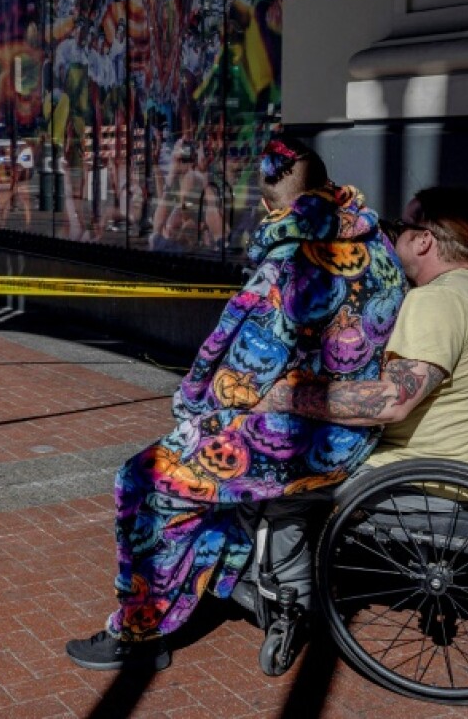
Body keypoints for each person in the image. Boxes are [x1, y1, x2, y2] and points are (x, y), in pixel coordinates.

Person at [65, 135, 406, 671]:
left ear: (271, 203)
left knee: (142, 479)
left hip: (304, 437)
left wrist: (193, 406)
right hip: (355, 428)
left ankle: (141, 633)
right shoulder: (378, 242)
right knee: (196, 467)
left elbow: (238, 363)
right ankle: (222, 575)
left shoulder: (289, 261)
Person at [255, 185, 468, 472]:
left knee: (277, 470)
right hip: (465, 469)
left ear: (423, 241)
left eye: (401, 226)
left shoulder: (437, 299)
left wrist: (286, 396)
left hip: (419, 474)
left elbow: (391, 401)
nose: (391, 236)